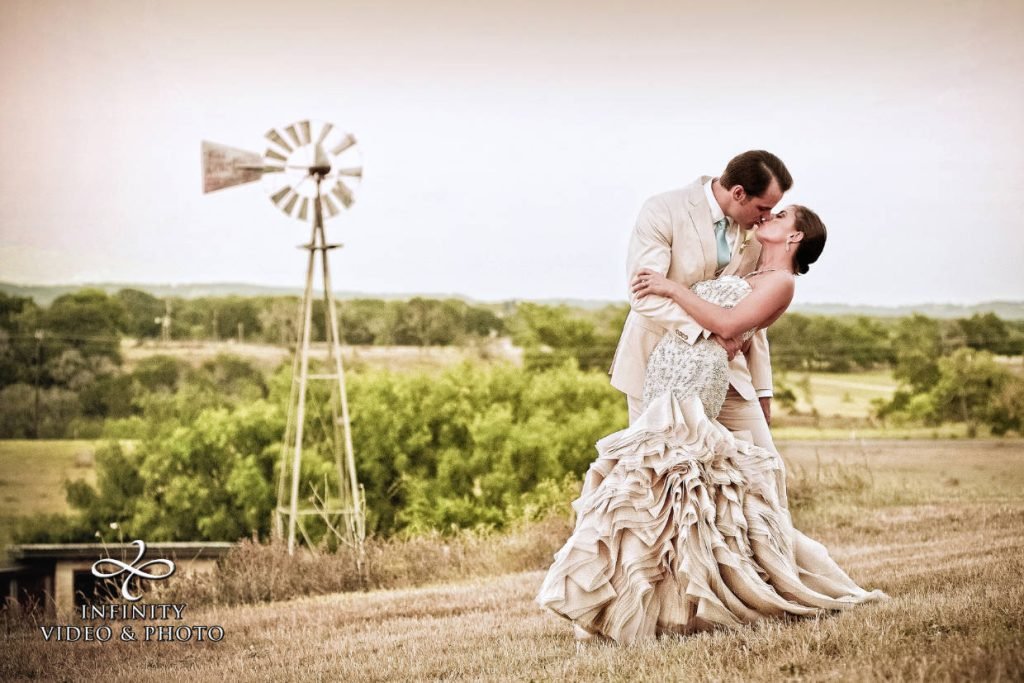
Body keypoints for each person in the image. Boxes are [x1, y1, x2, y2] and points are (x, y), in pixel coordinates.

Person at [535, 205, 889, 645]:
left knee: (707, 482)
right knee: (657, 486)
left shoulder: (781, 282)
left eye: (780, 216)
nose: (768, 218)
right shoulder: (750, 267)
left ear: (795, 237)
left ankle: (757, 577)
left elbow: (729, 325)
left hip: (708, 378)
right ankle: (646, 595)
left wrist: (671, 288)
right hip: (671, 367)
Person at [609, 150, 792, 454]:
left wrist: (763, 390)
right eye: (763, 207)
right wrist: (710, 332)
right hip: (658, 366)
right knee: (658, 473)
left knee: (764, 461)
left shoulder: (758, 234)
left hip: (729, 370)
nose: (767, 217)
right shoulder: (663, 209)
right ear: (738, 193)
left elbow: (753, 318)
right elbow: (645, 295)